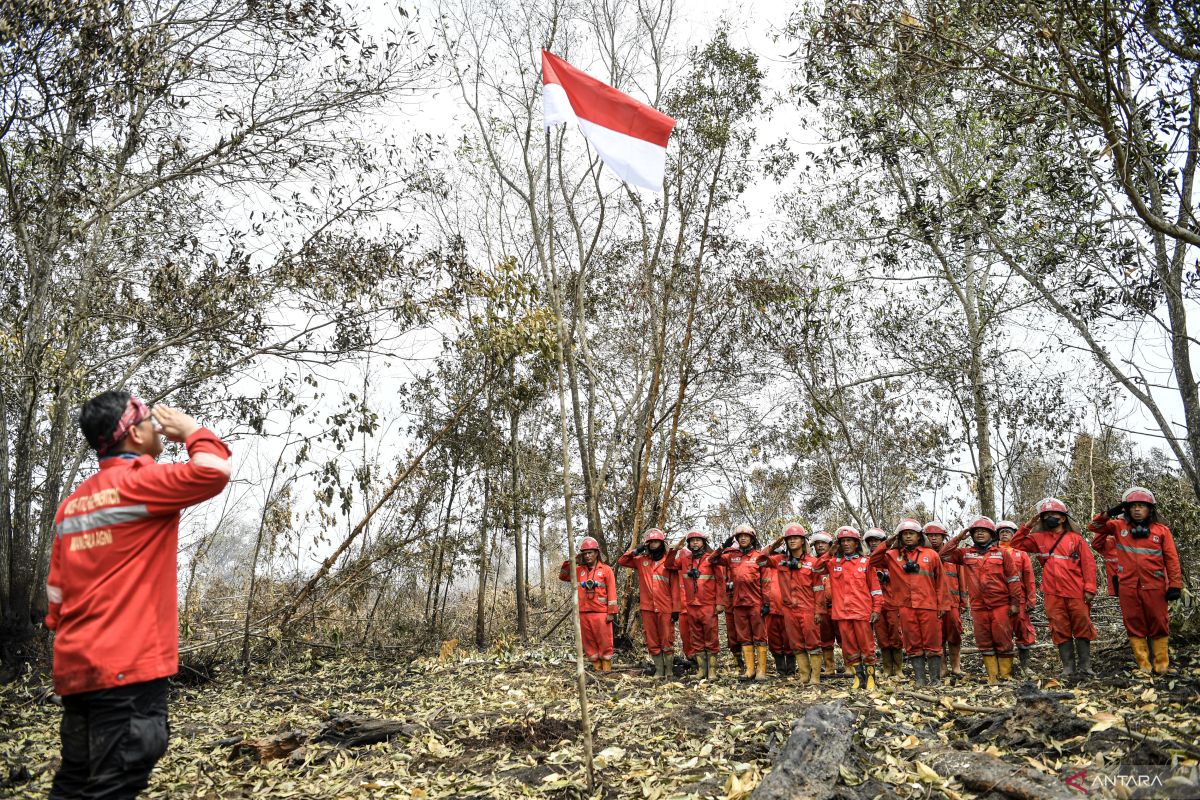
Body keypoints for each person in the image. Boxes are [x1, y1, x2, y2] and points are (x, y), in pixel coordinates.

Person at [46, 393, 232, 799]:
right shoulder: (143, 482)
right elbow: (215, 471)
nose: (157, 426)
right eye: (150, 419)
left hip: (77, 668)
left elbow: (56, 595)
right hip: (126, 668)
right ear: (133, 433)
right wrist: (190, 431)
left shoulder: (71, 506)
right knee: (115, 784)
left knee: (75, 781)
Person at [1089, 487, 1183, 675]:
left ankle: (1161, 664)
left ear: (1150, 509)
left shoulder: (1161, 531)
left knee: (1159, 622)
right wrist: (1109, 513)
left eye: (1142, 506)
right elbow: (1094, 527)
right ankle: (1143, 665)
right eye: (1133, 506)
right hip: (1128, 586)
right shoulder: (1118, 526)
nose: (1137, 510)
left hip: (1155, 585)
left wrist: (1174, 585)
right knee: (1133, 623)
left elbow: (1172, 559)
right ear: (1127, 509)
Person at [1011, 498, 1098, 679]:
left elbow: (1089, 565)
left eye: (1054, 514)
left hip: (1076, 591)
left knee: (1082, 627)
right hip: (1052, 593)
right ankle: (1068, 668)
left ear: (1063, 518)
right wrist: (1028, 525)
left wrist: (1090, 588)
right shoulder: (1038, 538)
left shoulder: (1076, 539)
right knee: (1059, 628)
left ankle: (1085, 667)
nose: (1050, 517)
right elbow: (1015, 543)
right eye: (1046, 515)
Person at [939, 517, 1022, 684]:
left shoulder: (1002, 553)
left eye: (984, 531)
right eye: (976, 532)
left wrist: (1015, 603)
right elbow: (943, 554)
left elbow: (1013, 579)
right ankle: (993, 677)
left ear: (992, 534)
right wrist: (959, 537)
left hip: (1000, 604)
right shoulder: (965, 554)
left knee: (1003, 639)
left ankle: (1005, 676)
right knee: (984, 640)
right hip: (979, 606)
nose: (980, 534)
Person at [871, 518, 949, 686]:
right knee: (913, 644)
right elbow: (873, 560)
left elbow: (941, 582)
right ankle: (920, 679)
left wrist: (942, 605)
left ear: (919, 536)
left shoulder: (931, 555)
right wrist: (888, 541)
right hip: (905, 607)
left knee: (933, 643)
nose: (907, 537)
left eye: (911, 534)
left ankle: (935, 679)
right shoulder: (892, 555)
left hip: (929, 605)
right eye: (904, 534)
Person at [813, 527, 882, 690]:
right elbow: (816, 568)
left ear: (856, 543)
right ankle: (859, 677)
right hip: (842, 613)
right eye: (843, 541)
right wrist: (831, 551)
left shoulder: (866, 562)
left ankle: (871, 677)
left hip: (861, 612)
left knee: (867, 646)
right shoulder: (833, 563)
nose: (846, 544)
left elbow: (875, 589)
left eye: (849, 540)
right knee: (849, 647)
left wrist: (877, 609)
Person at [760, 524, 823, 684]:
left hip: (808, 608)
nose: (792, 541)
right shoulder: (780, 561)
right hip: (788, 610)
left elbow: (818, 588)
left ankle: (815, 677)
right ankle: (804, 675)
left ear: (803, 541)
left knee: (813, 643)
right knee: (796, 644)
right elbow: (760, 560)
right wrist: (776, 542)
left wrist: (819, 611)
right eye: (789, 539)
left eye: (795, 538)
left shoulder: (812, 562)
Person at [666, 530, 725, 680]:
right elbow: (669, 564)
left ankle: (712, 671)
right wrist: (674, 549)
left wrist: (720, 603)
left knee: (711, 638)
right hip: (692, 605)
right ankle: (701, 671)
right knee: (696, 638)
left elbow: (720, 581)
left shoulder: (711, 559)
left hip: (708, 605)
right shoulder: (685, 560)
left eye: (698, 540)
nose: (695, 543)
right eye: (692, 541)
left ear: (704, 543)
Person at [711, 524, 768, 680]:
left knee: (760, 637)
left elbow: (766, 581)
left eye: (746, 536)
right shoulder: (732, 556)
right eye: (739, 536)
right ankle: (750, 670)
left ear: (752, 538)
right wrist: (724, 546)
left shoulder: (759, 556)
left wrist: (767, 603)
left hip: (756, 602)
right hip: (738, 603)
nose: (743, 538)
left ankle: (761, 671)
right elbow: (712, 560)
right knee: (744, 637)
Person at [618, 529, 677, 678]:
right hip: (647, 607)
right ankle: (659, 670)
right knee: (651, 638)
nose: (653, 545)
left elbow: (676, 587)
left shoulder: (669, 561)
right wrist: (635, 550)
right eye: (650, 543)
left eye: (656, 542)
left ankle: (669, 670)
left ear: (662, 544)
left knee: (667, 638)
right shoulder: (641, 560)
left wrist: (676, 608)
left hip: (665, 606)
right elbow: (622, 561)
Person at [559, 537, 617, 671]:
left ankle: (606, 670)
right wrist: (571, 560)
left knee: (605, 641)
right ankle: (597, 670)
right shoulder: (579, 570)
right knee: (589, 643)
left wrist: (611, 612)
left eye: (590, 552)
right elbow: (563, 576)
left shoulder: (606, 570)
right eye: (585, 553)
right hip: (583, 612)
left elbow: (612, 592)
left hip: (601, 613)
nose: (588, 555)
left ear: (597, 553)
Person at [923, 522, 965, 678]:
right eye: (930, 536)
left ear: (943, 537)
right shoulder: (922, 556)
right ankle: (942, 668)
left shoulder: (953, 555)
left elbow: (962, 579)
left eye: (937, 536)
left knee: (955, 633)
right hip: (932, 604)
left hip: (952, 602)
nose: (933, 539)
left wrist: (963, 601)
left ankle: (956, 666)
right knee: (936, 636)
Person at [996, 519, 1037, 676]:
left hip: (1019, 599)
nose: (1005, 534)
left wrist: (1031, 599)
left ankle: (1025, 666)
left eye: (1008, 532)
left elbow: (1029, 577)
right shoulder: (993, 551)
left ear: (1014, 535)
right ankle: (1005, 668)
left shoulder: (1021, 554)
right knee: (1001, 632)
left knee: (1023, 631)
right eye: (1002, 532)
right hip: (999, 600)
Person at [864, 527, 904, 680]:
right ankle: (887, 668)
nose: (874, 543)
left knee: (896, 636)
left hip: (894, 602)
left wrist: (887, 575)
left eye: (877, 541)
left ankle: (899, 669)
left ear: (883, 542)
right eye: (871, 541)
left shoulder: (893, 556)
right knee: (882, 637)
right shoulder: (868, 560)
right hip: (877, 604)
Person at [809, 531, 843, 676]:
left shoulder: (838, 560)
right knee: (825, 640)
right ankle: (830, 668)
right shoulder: (813, 563)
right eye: (817, 544)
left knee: (844, 637)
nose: (820, 546)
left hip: (839, 607)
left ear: (831, 545)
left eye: (823, 543)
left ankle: (850, 666)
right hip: (821, 608)